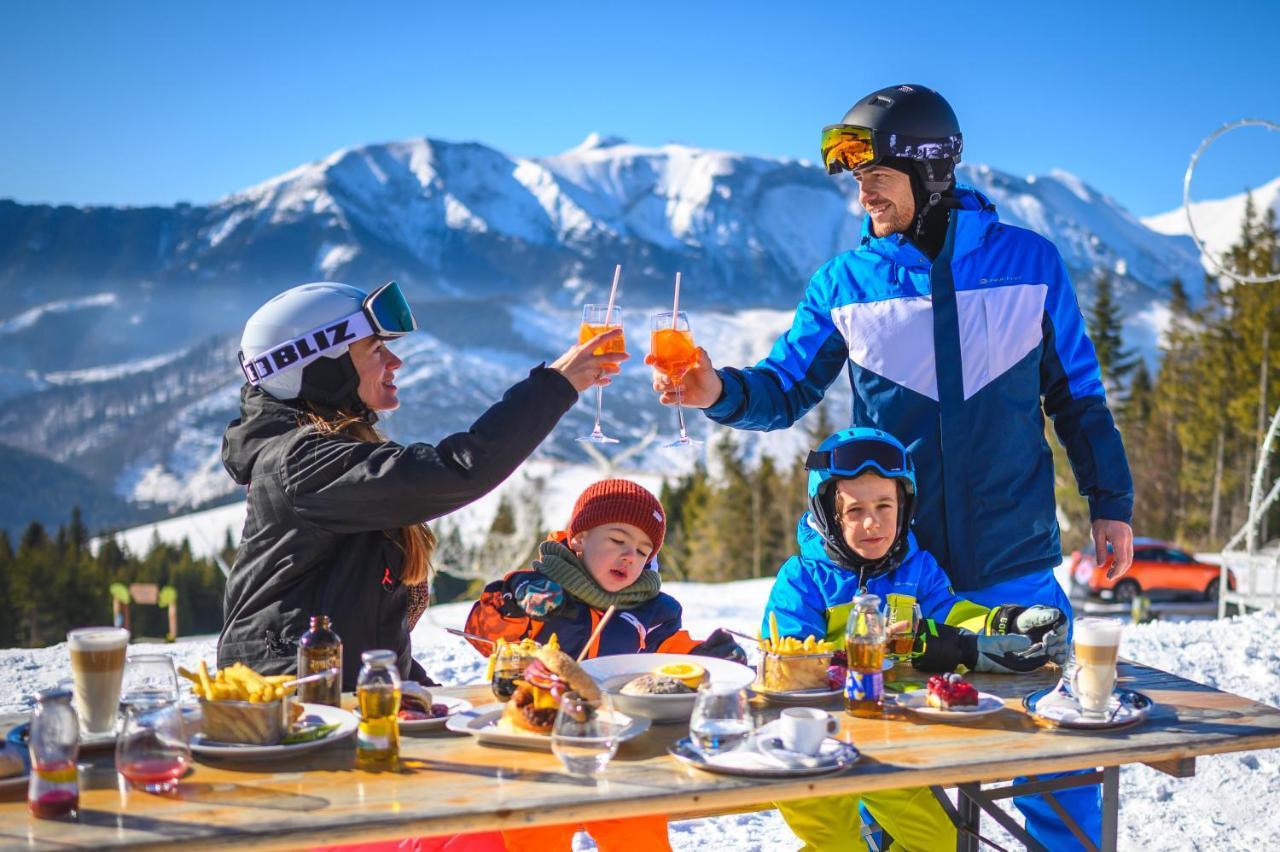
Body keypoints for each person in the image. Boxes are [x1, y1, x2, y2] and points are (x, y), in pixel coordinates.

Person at [648, 84, 1135, 850]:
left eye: (877, 171)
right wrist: (716, 391)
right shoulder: (846, 284)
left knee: (1057, 759)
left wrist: (1111, 502)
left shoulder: (1030, 264)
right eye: (857, 174)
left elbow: (1078, 398)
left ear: (931, 169)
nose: (861, 189)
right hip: (898, 577)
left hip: (1013, 559)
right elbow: (784, 389)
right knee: (887, 770)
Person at [218, 280, 626, 690]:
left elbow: (365, 625)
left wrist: (427, 694)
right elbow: (457, 470)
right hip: (284, 699)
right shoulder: (302, 463)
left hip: (334, 690)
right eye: (376, 349)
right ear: (320, 366)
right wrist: (557, 384)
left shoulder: (325, 454)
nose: (395, 361)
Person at [766, 428, 1068, 851]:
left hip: (885, 749)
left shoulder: (917, 570)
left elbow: (954, 618)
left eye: (884, 505)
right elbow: (790, 667)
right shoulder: (801, 581)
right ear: (827, 515)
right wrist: (867, 653)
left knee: (942, 843)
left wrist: (1008, 622)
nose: (872, 522)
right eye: (854, 511)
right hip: (810, 749)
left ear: (904, 507)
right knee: (838, 845)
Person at [465, 478, 745, 852]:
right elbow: (481, 634)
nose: (630, 556)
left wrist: (708, 657)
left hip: (618, 746)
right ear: (579, 537)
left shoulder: (651, 610)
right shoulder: (540, 591)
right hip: (536, 743)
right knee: (533, 836)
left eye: (644, 551)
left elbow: (672, 658)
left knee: (639, 834)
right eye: (617, 540)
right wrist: (511, 604)